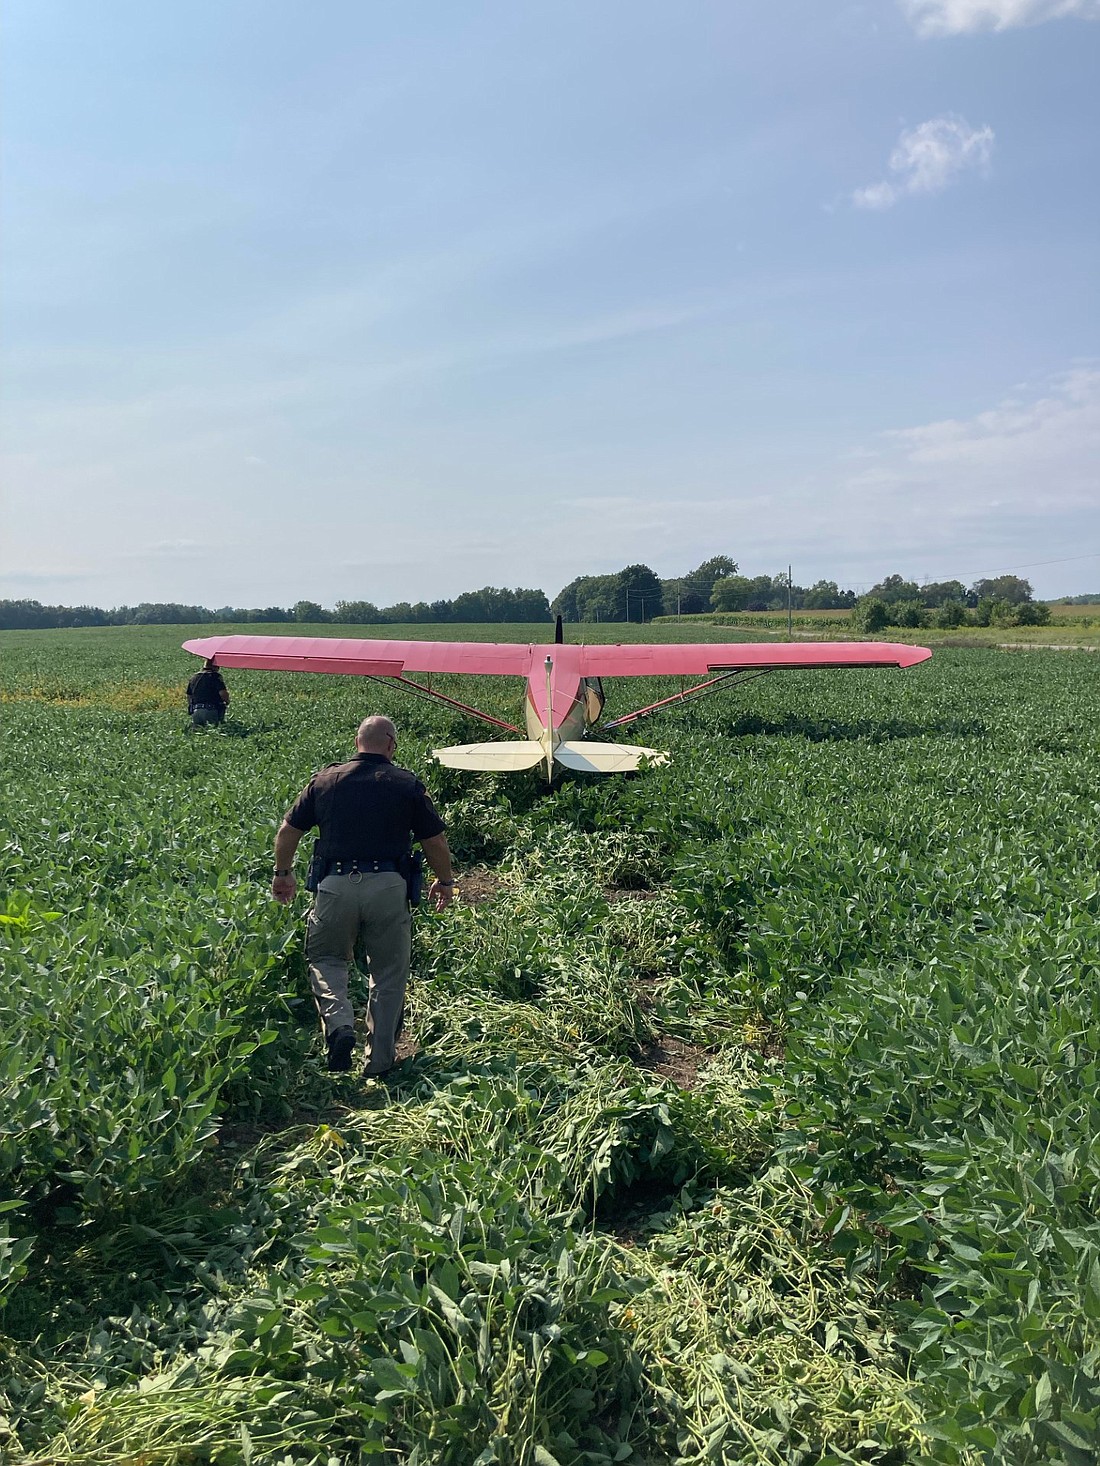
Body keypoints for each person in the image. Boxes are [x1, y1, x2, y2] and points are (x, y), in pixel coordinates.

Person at [271, 716, 455, 1074]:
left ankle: (339, 1025)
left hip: (335, 884)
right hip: (389, 885)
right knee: (388, 973)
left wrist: (283, 874)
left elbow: (288, 831)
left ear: (358, 742)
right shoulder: (407, 784)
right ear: (390, 744)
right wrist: (444, 880)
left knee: (326, 958)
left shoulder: (324, 781)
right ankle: (379, 1062)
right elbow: (434, 840)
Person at [187, 659, 230, 727]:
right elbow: (223, 694)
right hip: (210, 710)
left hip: (196, 711)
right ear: (215, 666)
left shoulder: (194, 677)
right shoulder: (215, 676)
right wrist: (227, 701)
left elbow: (189, 696)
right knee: (214, 732)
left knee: (199, 734)